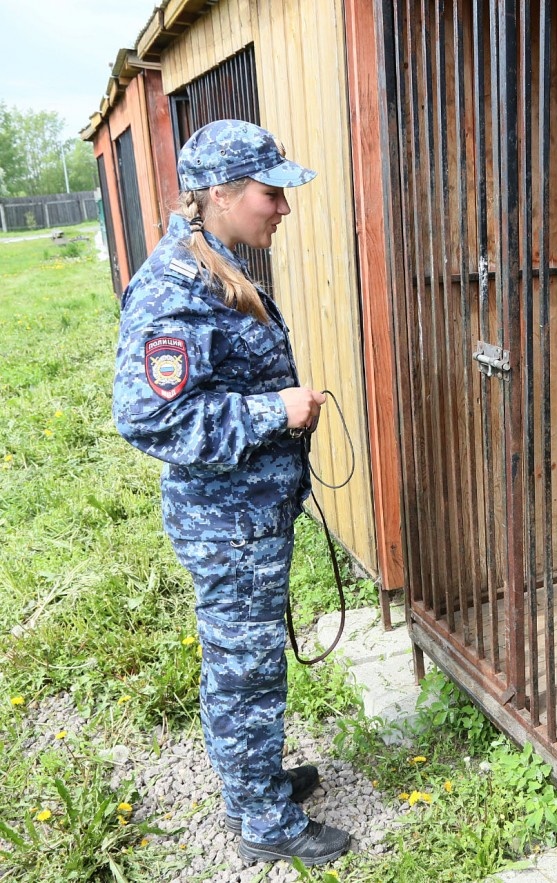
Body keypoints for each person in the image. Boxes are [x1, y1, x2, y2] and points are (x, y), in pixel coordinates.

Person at [112, 119, 348, 867]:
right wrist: (274, 409)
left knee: (246, 663)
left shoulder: (215, 264)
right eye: (269, 192)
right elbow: (149, 416)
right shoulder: (175, 287)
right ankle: (263, 821)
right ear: (221, 193)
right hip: (227, 525)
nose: (281, 207)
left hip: (246, 518)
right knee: (243, 668)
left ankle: (256, 784)